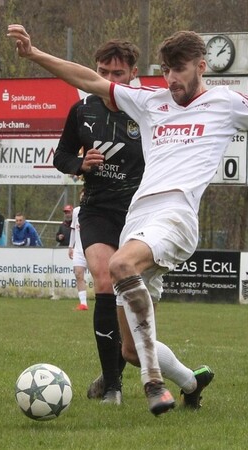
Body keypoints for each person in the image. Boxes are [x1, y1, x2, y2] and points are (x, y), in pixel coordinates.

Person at [8, 25, 248, 415]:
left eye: (179, 69)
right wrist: (34, 55)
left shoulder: (226, 103)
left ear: (201, 66)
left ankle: (152, 383)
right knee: (129, 348)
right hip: (139, 220)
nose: (171, 78)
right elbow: (87, 78)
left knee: (119, 264)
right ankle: (189, 382)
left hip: (177, 216)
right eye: (165, 69)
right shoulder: (149, 101)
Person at [52, 40, 146, 405]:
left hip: (139, 213)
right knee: (105, 281)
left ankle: (114, 367)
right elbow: (61, 155)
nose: (108, 79)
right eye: (102, 72)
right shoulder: (82, 110)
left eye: (117, 73)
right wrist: (79, 165)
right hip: (97, 210)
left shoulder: (146, 110)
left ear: (133, 74)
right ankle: (113, 388)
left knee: (135, 298)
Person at [68, 199, 88, 311]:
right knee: (78, 274)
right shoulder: (76, 211)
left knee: (99, 276)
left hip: (91, 248)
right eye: (81, 196)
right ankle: (83, 303)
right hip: (79, 249)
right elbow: (73, 229)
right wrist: (71, 246)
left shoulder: (96, 210)